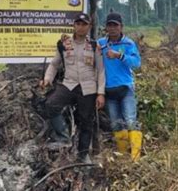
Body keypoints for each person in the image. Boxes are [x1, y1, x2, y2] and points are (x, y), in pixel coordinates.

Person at [40, 13, 105, 164]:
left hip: (88, 87)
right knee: (51, 104)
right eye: (78, 24)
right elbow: (55, 64)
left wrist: (101, 93)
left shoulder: (95, 46)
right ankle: (63, 137)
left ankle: (83, 154)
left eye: (84, 24)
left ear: (89, 27)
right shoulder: (63, 43)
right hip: (69, 84)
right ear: (74, 26)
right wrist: (47, 79)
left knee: (86, 120)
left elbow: (101, 70)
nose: (81, 27)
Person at [97, 12, 142, 161]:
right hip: (108, 91)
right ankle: (123, 157)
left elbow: (136, 64)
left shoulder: (128, 44)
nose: (112, 28)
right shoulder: (101, 44)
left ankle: (135, 158)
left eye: (115, 25)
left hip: (125, 89)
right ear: (106, 27)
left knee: (130, 121)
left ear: (121, 27)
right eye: (109, 25)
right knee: (116, 124)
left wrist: (120, 56)